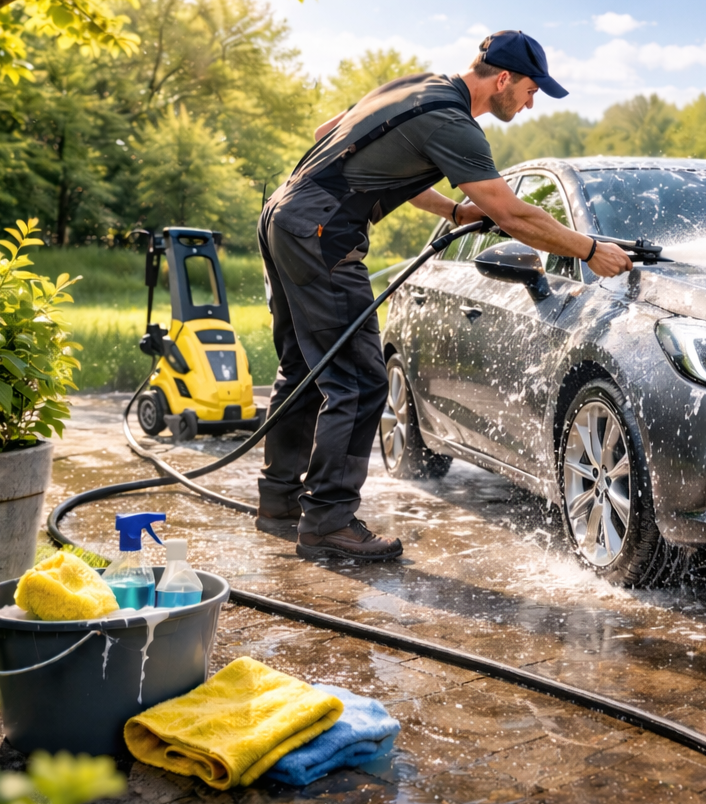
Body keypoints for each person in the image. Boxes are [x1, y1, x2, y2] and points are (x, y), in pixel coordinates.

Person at [256, 30, 633, 561]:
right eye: (530, 91)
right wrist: (590, 249)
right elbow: (514, 213)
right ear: (502, 79)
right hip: (321, 232)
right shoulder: (455, 124)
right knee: (361, 382)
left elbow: (336, 135)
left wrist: (454, 212)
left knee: (303, 370)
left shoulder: (418, 86)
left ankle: (279, 504)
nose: (529, 104)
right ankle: (326, 523)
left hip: (285, 215)